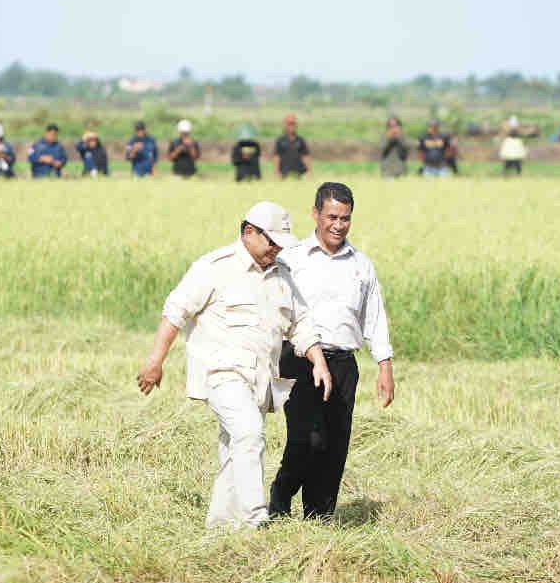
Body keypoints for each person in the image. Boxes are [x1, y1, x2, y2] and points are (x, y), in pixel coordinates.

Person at [137, 202, 332, 530]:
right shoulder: (214, 267)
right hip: (221, 374)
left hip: (261, 380)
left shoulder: (282, 274)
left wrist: (319, 362)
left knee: (235, 449)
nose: (276, 248)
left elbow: (300, 325)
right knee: (249, 433)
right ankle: (255, 519)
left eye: (280, 242)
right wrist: (155, 361)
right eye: (271, 241)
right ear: (248, 233)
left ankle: (222, 527)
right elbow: (176, 312)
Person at [271, 182, 394, 521]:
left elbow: (375, 316)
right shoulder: (291, 259)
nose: (339, 225)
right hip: (298, 360)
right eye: (332, 217)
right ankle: (279, 501)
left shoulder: (361, 265)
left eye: (346, 218)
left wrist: (384, 366)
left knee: (334, 445)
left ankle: (319, 517)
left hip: (343, 364)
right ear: (315, 214)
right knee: (307, 439)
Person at [274, 114, 311, 178]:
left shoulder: (300, 140)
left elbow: (305, 156)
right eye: (289, 124)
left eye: (293, 124)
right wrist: (276, 172)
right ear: (285, 125)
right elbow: (277, 157)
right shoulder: (280, 141)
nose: (291, 126)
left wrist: (310, 171)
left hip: (300, 174)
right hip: (284, 173)